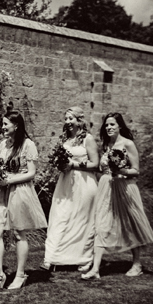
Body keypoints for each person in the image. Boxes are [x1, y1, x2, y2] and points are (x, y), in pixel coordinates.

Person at [82, 112, 153, 279]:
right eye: (106, 125)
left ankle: (137, 264)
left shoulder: (127, 144)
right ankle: (95, 269)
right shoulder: (107, 144)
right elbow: (102, 167)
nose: (108, 127)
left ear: (120, 126)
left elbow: (136, 171)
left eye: (112, 124)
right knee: (101, 225)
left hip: (125, 187)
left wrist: (121, 171)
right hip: (107, 187)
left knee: (129, 225)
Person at [0, 110, 47, 291]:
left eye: (5, 124)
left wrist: (10, 179)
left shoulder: (28, 145)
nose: (2, 127)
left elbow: (31, 173)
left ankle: (20, 274)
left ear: (16, 125)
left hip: (19, 191)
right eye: (2, 124)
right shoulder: (3, 144)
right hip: (1, 192)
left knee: (19, 233)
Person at [41, 107, 99, 272]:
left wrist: (74, 164)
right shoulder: (64, 139)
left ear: (79, 120)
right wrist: (60, 165)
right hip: (65, 184)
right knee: (59, 218)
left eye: (71, 118)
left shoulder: (88, 139)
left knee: (83, 221)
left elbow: (95, 164)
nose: (67, 122)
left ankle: (85, 258)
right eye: (66, 119)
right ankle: (50, 258)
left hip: (85, 184)